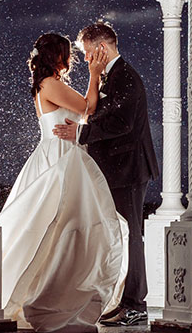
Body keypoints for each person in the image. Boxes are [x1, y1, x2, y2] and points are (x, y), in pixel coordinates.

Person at [0, 32, 127, 333]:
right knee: (62, 227)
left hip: (65, 154)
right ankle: (53, 297)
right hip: (60, 159)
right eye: (68, 54)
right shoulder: (50, 84)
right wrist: (95, 75)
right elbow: (87, 109)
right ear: (58, 56)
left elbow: (81, 114)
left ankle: (64, 290)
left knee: (67, 229)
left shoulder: (50, 83)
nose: (72, 60)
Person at [54, 20, 158, 328]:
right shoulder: (110, 75)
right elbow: (100, 112)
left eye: (87, 52)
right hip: (116, 169)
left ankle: (136, 305)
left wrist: (81, 134)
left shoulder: (125, 77)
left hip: (128, 170)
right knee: (119, 236)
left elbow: (122, 124)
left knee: (133, 237)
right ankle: (121, 301)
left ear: (102, 48)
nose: (85, 59)